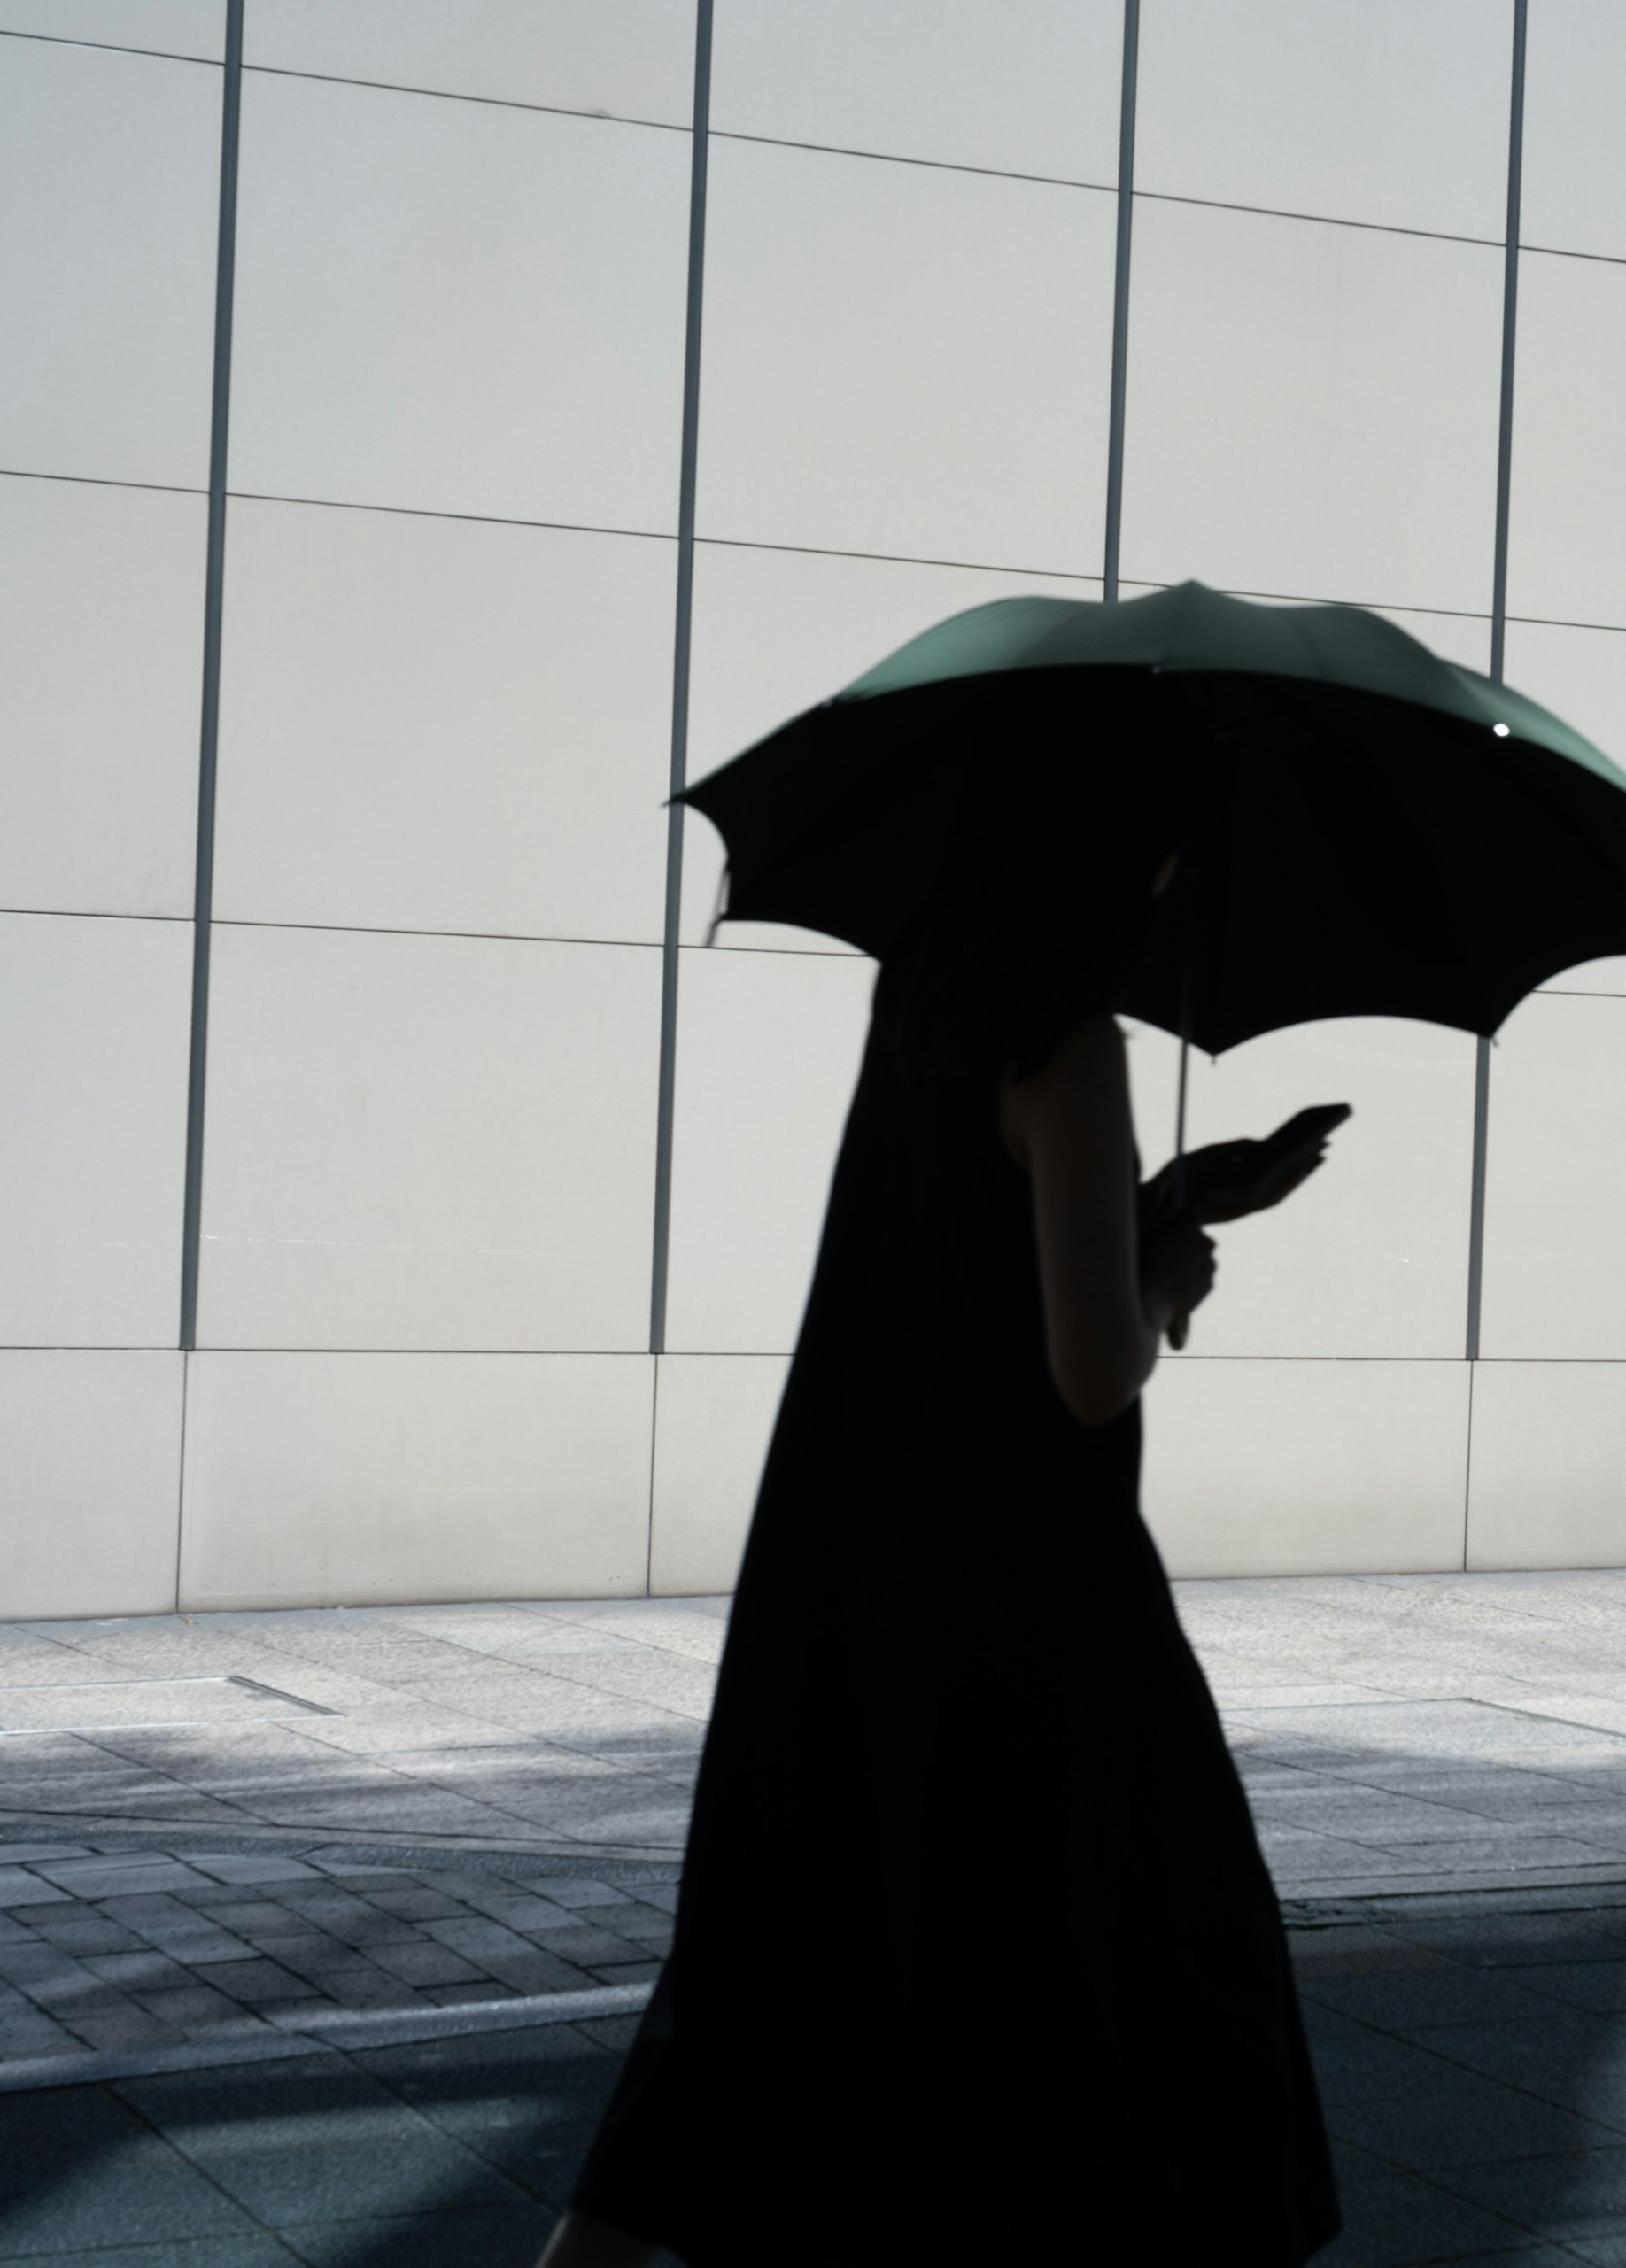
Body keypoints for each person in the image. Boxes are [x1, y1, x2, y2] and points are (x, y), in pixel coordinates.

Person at [536, 742, 1344, 2266]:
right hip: (1044, 1607)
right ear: (1107, 864)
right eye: (1163, 858)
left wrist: (1162, 1200)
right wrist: (1167, 1271)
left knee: (770, 1982)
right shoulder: (1076, 1046)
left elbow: (958, 1270)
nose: (1173, 887)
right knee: (1159, 1968)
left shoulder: (919, 1009)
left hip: (869, 1571)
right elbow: (1091, 1369)